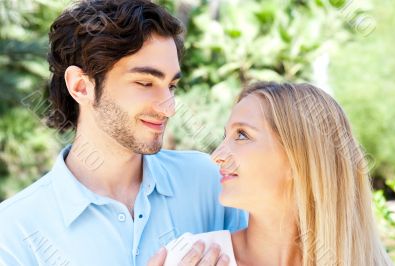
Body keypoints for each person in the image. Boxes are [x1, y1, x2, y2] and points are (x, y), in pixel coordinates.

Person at [0, 1, 247, 265]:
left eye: (171, 85)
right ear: (81, 87)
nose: (170, 107)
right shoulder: (14, 232)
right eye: (145, 83)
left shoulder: (208, 182)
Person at [153, 82, 393, 265]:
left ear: (297, 159)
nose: (217, 155)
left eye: (242, 135)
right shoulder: (192, 256)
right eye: (226, 135)